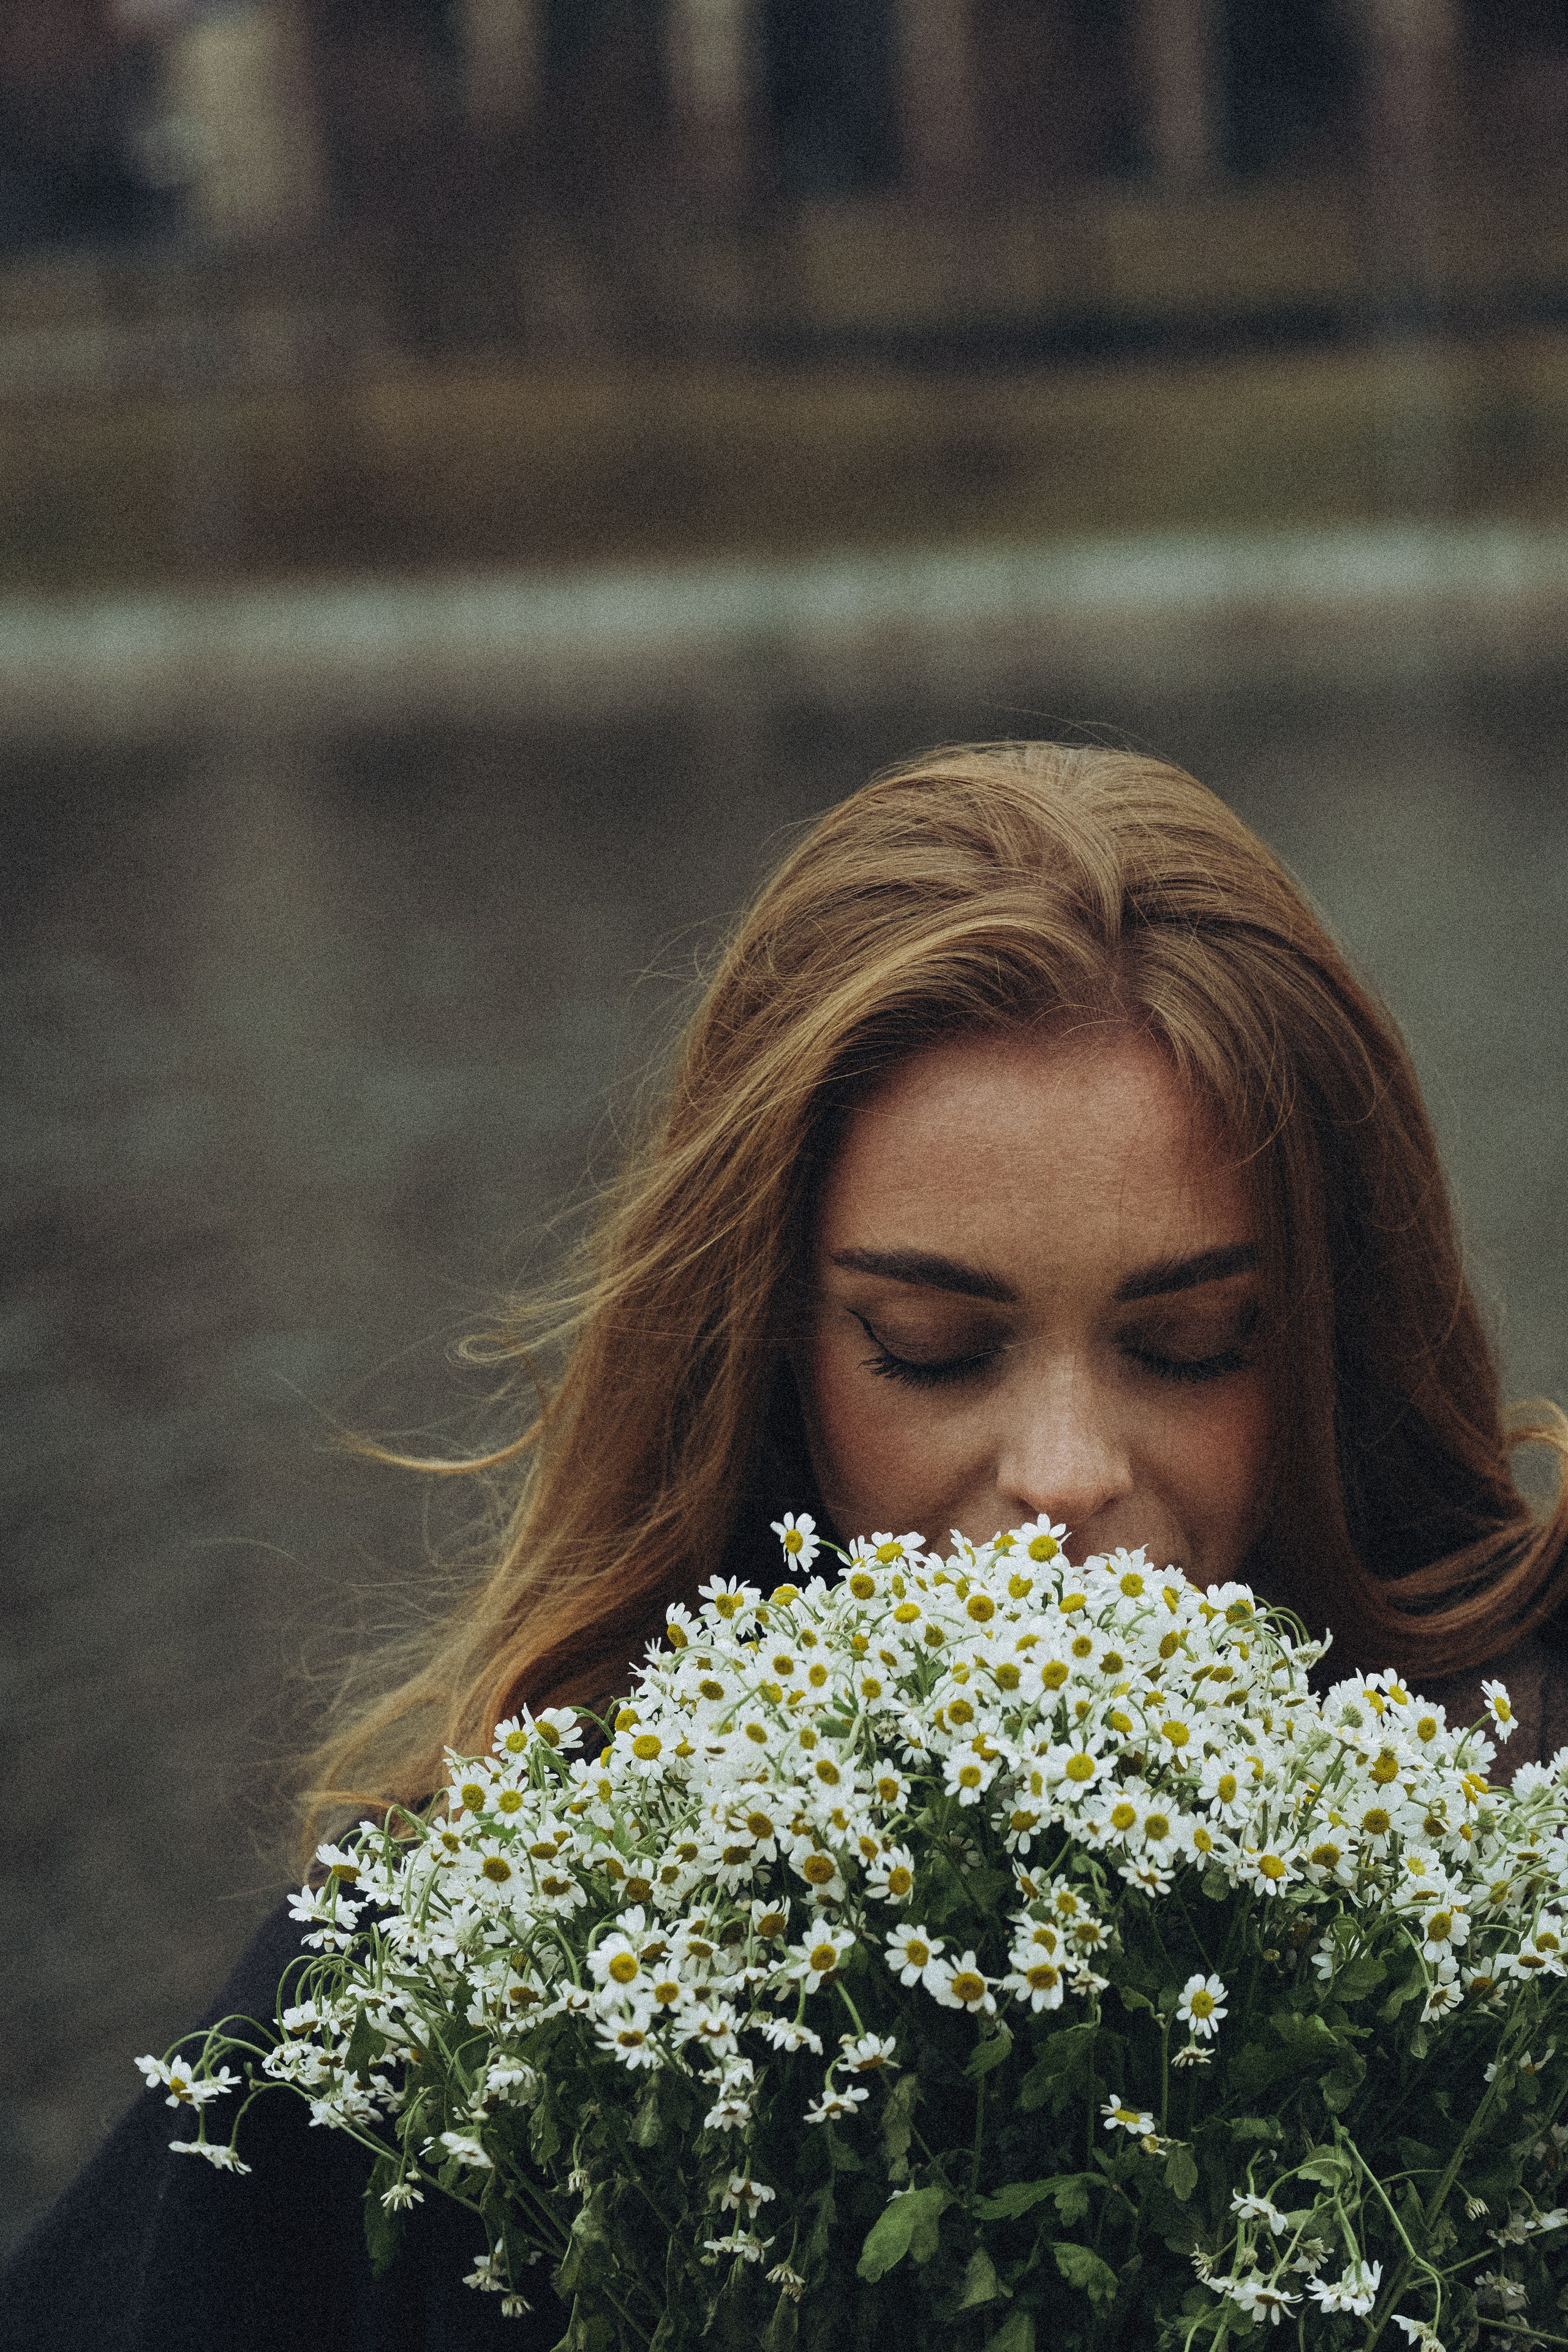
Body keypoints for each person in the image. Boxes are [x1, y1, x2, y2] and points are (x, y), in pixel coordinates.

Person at [8, 741, 1567, 2347]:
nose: (1063, 1477)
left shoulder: (1520, 1867)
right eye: (930, 1345)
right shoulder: (492, 1971)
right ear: (763, 1357)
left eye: (1192, 1344)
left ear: (1336, 1339)